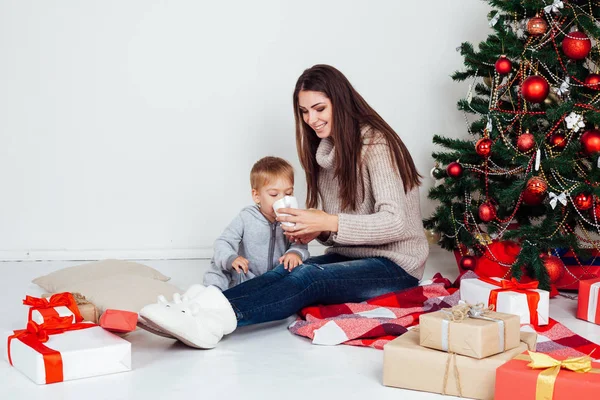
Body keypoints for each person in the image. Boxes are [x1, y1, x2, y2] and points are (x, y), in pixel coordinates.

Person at [139, 64, 429, 349]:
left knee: (308, 278)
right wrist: (315, 231)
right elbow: (344, 223)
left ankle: (211, 323)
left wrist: (326, 222)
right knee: (286, 270)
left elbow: (396, 222)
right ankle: (198, 306)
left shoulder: (376, 145)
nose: (311, 119)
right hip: (354, 254)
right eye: (304, 112)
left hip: (396, 265)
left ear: (340, 103)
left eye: (319, 108)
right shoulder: (326, 150)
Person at [202, 156, 310, 291]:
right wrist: (232, 258)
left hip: (275, 279)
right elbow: (223, 242)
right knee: (220, 264)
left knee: (304, 271)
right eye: (274, 194)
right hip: (246, 276)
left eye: (288, 193)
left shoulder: (291, 218)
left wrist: (295, 253)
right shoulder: (246, 218)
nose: (283, 200)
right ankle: (211, 293)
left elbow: (300, 243)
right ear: (256, 196)